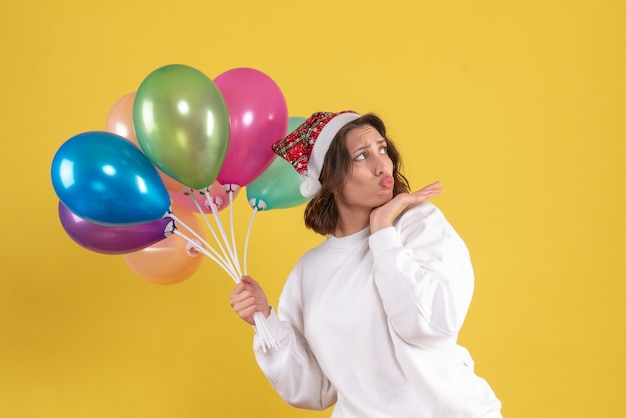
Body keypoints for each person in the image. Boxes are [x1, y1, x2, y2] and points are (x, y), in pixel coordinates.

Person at [230, 111, 502, 417]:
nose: (381, 165)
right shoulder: (309, 271)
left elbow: (430, 324)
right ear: (330, 176)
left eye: (382, 150)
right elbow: (314, 390)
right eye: (361, 156)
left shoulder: (418, 225)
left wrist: (383, 232)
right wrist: (264, 320)